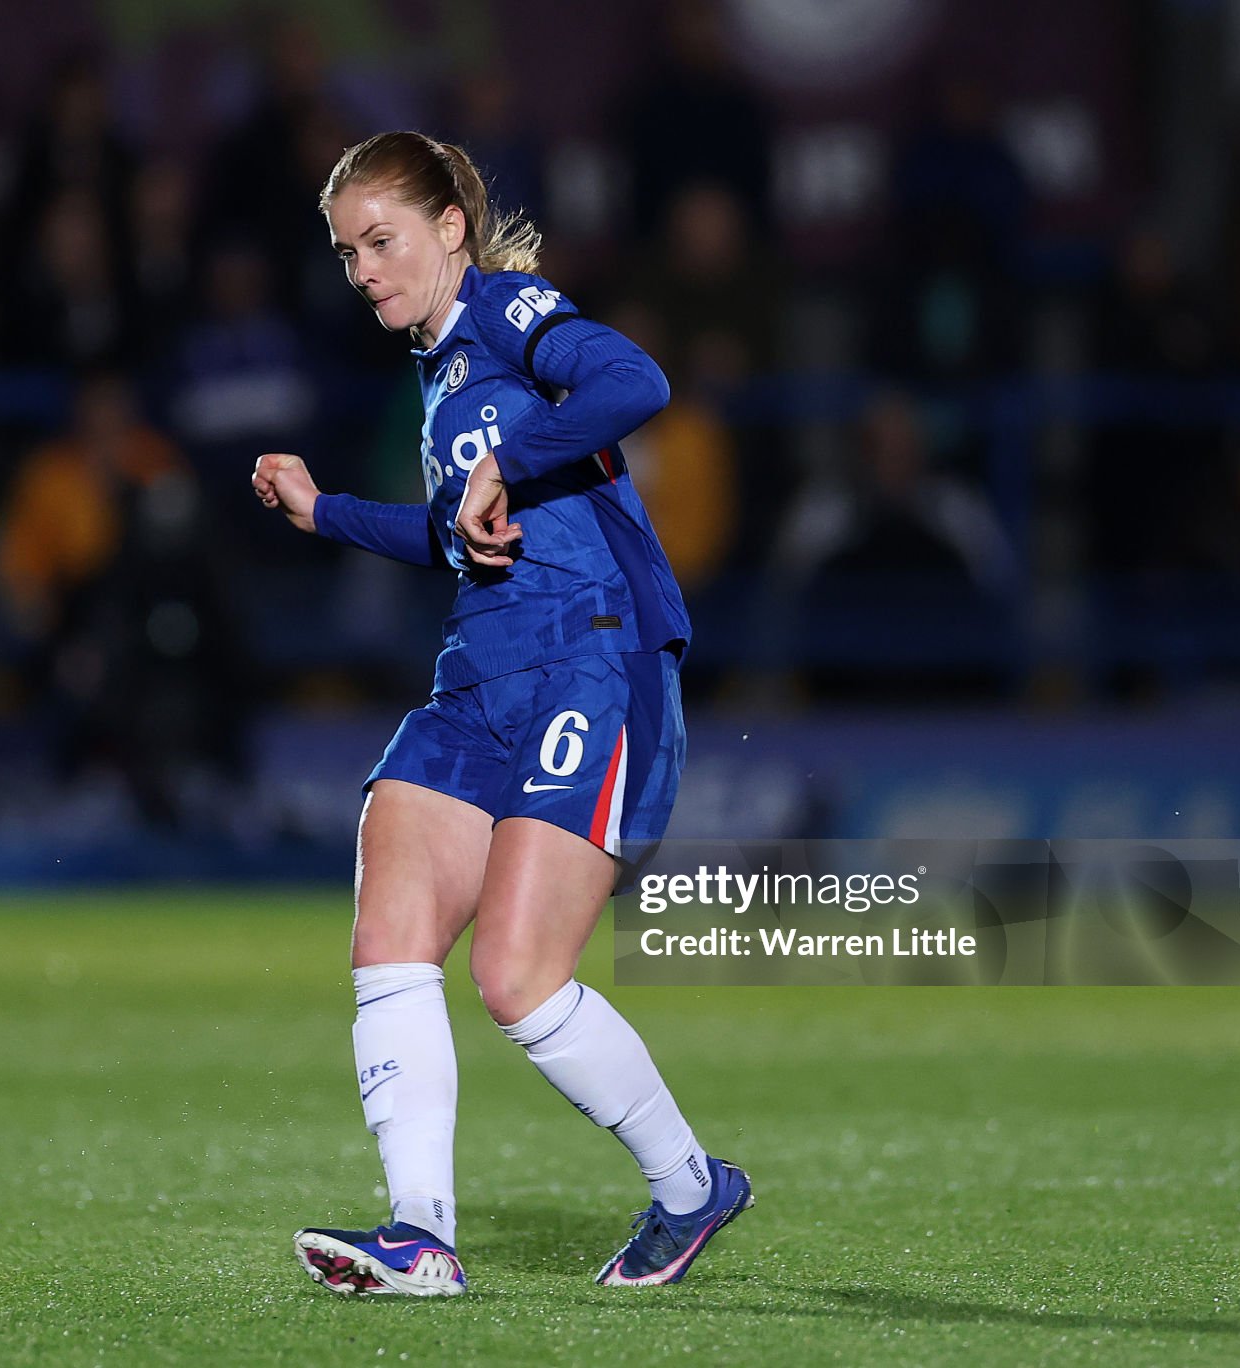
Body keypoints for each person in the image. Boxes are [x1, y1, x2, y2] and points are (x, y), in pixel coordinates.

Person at [251, 131, 750, 1298]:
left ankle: (689, 1188)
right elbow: (454, 534)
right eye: (346, 252)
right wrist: (323, 512)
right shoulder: (439, 378)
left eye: (381, 241)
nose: (363, 270)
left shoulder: (507, 312)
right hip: (477, 677)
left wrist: (509, 463)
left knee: (517, 978)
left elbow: (635, 382)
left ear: (449, 229)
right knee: (389, 928)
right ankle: (419, 1235)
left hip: (592, 662)